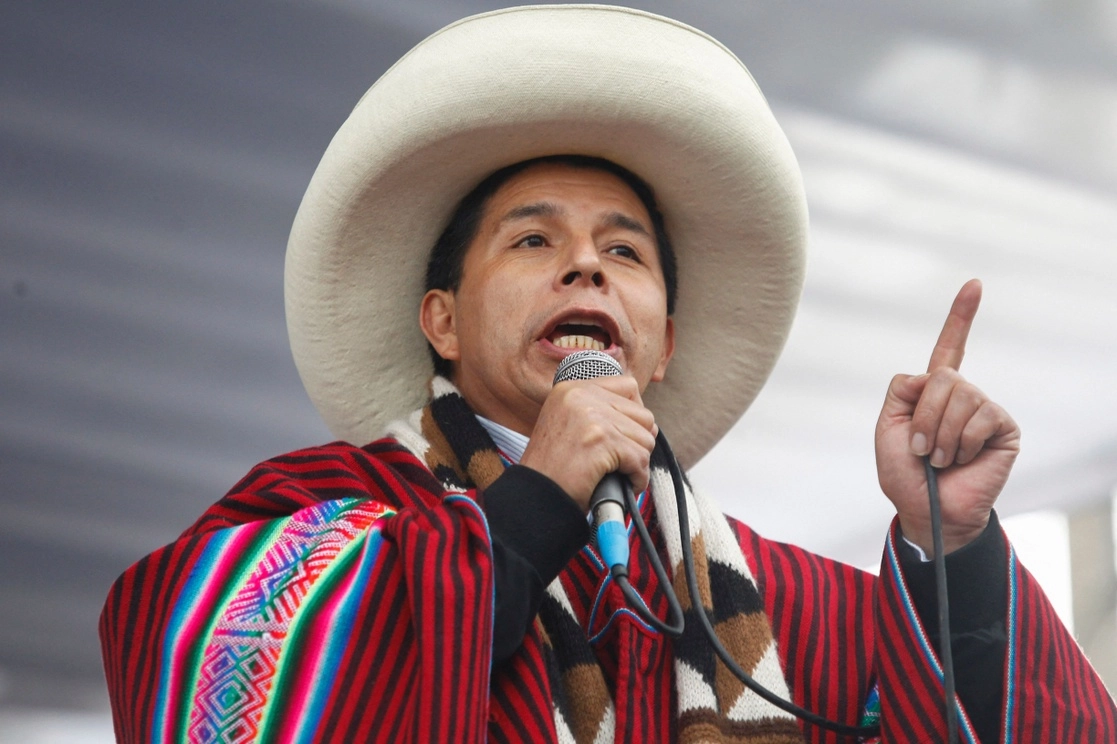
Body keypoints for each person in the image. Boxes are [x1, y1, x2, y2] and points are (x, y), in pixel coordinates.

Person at [99, 6, 1115, 743]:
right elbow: (206, 672)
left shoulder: (782, 604)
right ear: (440, 321)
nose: (586, 265)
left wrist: (954, 547)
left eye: (624, 253)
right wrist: (536, 501)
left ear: (662, 342)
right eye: (533, 240)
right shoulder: (322, 513)